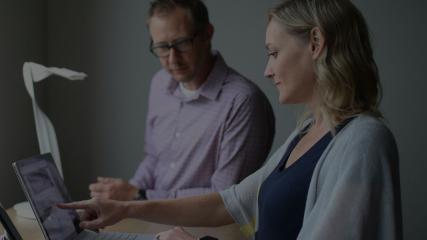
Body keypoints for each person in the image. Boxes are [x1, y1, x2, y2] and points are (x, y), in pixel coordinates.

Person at [60, 0, 403, 239]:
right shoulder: (306, 132)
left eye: (274, 52)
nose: (267, 70)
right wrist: (124, 208)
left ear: (315, 42)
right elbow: (233, 201)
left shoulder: (363, 141)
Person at [88, 0, 275, 201]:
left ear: (207, 34)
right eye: (161, 47)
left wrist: (140, 196)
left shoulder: (243, 101)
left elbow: (224, 198)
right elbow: (153, 159)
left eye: (182, 43)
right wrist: (122, 196)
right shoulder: (160, 83)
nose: (172, 59)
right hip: (150, 217)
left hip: (203, 229)